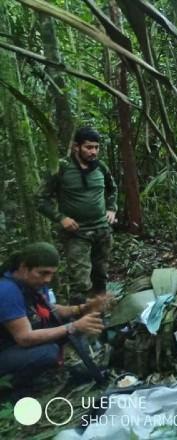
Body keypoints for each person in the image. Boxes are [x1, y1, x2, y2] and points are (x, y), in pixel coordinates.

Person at [0, 242, 107, 392]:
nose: (48, 279)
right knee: (48, 352)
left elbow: (51, 310)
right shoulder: (7, 291)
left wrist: (82, 308)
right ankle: (18, 389)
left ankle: (70, 363)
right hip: (7, 349)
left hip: (18, 340)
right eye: (43, 273)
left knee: (68, 325)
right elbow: (24, 338)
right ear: (24, 267)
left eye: (51, 274)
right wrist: (73, 327)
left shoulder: (33, 282)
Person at [37, 126, 117, 304]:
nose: (93, 152)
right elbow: (41, 199)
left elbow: (112, 189)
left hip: (102, 231)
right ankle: (80, 324)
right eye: (88, 147)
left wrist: (111, 208)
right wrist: (61, 218)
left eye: (96, 147)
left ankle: (99, 317)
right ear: (76, 147)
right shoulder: (61, 168)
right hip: (77, 233)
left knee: (101, 276)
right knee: (80, 283)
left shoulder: (101, 168)